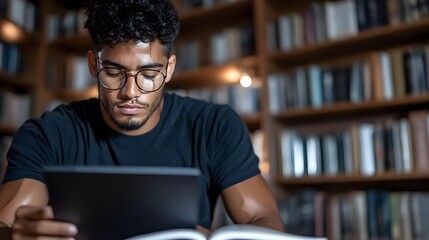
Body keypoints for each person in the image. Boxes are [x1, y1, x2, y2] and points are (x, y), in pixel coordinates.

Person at [0, 0, 284, 238]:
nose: (130, 92)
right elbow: (7, 221)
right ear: (92, 64)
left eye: (148, 75)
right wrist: (15, 235)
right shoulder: (48, 134)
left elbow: (263, 218)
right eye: (113, 73)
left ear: (169, 69)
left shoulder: (214, 126)